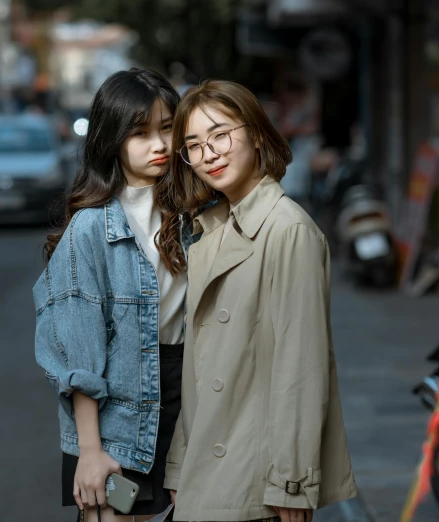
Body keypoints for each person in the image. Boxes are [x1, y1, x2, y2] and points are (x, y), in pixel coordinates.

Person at [157, 80, 357, 522]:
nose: (209, 153)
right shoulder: (210, 230)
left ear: (256, 133)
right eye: (193, 145)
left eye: (220, 134)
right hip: (207, 468)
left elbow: (301, 368)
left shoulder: (288, 230)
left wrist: (292, 483)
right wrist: (179, 463)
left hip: (257, 480)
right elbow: (199, 368)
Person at [33, 68, 190, 522]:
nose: (159, 144)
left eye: (167, 129)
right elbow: (80, 355)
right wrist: (90, 450)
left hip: (190, 405)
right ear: (112, 139)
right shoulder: (90, 229)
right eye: (140, 133)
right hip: (118, 417)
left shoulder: (195, 214)